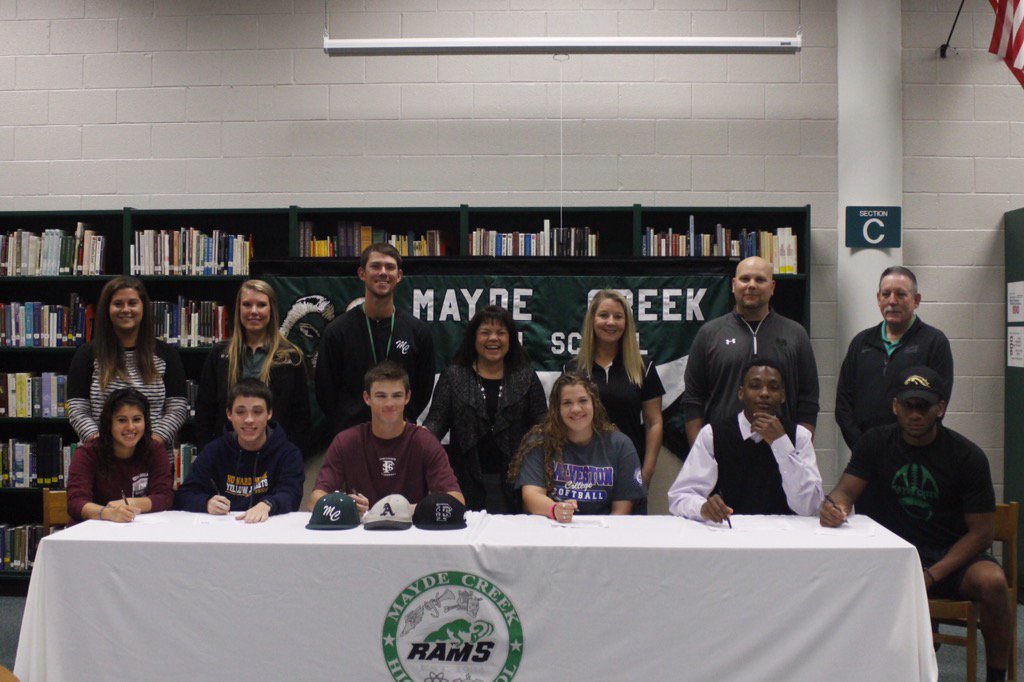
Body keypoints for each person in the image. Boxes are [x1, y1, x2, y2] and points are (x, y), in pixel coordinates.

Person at [821, 366, 1010, 682]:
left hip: (951, 560)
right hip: (895, 559)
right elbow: (844, 492)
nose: (915, 414)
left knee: (993, 582)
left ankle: (996, 676)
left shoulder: (968, 457)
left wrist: (931, 575)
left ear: (940, 408)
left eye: (924, 406)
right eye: (908, 405)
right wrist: (834, 507)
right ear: (896, 406)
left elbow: (982, 533)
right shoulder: (875, 443)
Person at [680, 256, 819, 448]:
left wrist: (800, 451)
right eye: (745, 279)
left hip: (780, 449)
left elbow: (808, 402)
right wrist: (700, 452)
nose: (751, 285)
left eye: (760, 280)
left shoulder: (795, 334)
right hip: (722, 450)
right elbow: (693, 400)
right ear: (733, 285)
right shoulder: (709, 334)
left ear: (772, 287)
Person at [667, 358, 823, 523]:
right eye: (755, 386)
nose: (764, 393)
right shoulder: (713, 434)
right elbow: (679, 497)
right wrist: (702, 507)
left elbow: (808, 507)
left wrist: (781, 443)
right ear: (741, 393)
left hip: (784, 537)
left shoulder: (799, 436)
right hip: (730, 535)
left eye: (773, 387)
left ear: (782, 396)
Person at [424, 305, 545, 513]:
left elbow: (542, 428)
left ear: (511, 338)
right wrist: (414, 442)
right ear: (473, 338)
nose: (493, 339)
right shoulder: (453, 376)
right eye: (485, 332)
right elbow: (435, 424)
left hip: (517, 484)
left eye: (501, 333)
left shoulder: (526, 377)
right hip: (463, 482)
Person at [311, 361, 463, 517]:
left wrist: (403, 510)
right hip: (360, 534)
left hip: (410, 533)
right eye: (381, 396)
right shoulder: (346, 441)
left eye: (396, 396)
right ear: (367, 398)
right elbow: (315, 499)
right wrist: (345, 506)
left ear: (407, 397)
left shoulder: (425, 442)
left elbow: (456, 500)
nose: (389, 403)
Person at [315, 243, 435, 436]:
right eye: (376, 266)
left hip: (401, 436)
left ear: (399, 275)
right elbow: (325, 392)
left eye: (389, 267)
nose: (383, 272)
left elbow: (422, 390)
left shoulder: (419, 332)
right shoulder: (337, 332)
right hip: (352, 437)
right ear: (362, 273)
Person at [836, 265, 953, 449]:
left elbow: (938, 404)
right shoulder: (861, 343)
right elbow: (843, 405)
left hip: (914, 452)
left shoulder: (934, 343)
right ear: (878, 298)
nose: (892, 301)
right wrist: (862, 448)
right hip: (866, 454)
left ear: (916, 300)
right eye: (886, 294)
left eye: (901, 294)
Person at [564, 290, 664, 506]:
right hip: (584, 475)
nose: (611, 322)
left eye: (618, 316)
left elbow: (653, 422)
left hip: (629, 468)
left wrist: (646, 472)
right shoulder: (573, 369)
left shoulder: (643, 368)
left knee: (628, 539)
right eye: (604, 315)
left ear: (627, 323)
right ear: (592, 320)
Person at [195, 279, 312, 455]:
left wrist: (291, 458)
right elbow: (205, 411)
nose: (254, 311)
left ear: (271, 310)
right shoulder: (219, 354)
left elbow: (301, 417)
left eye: (261, 305)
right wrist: (208, 455)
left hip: (275, 456)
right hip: (227, 454)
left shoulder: (291, 356)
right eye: (247, 305)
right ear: (239, 309)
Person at [67, 276, 188, 445]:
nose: (125, 309)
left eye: (132, 303)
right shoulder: (87, 354)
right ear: (107, 309)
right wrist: (103, 444)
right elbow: (77, 409)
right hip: (102, 458)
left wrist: (151, 442)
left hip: (152, 458)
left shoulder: (166, 354)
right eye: (118, 304)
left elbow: (177, 408)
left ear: (143, 307)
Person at [509, 373, 645, 523]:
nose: (576, 409)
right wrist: (555, 509)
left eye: (583, 401)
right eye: (567, 403)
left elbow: (622, 510)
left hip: (604, 532)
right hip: (553, 531)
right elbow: (531, 495)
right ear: (556, 409)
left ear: (594, 403)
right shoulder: (539, 443)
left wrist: (601, 539)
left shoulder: (620, 445)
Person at [175, 379, 304, 523]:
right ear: (229, 414)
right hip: (223, 531)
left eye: (257, 412)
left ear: (269, 414)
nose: (249, 419)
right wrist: (206, 503)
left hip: (270, 529)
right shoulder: (214, 451)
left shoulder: (288, 453)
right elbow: (184, 495)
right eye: (240, 412)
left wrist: (268, 504)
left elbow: (292, 494)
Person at [65, 388, 173, 525]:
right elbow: (75, 502)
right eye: (122, 420)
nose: (131, 427)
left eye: (137, 419)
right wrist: (108, 513)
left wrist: (127, 503)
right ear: (109, 424)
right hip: (92, 531)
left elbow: (165, 497)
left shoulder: (155, 449)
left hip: (138, 529)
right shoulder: (87, 453)